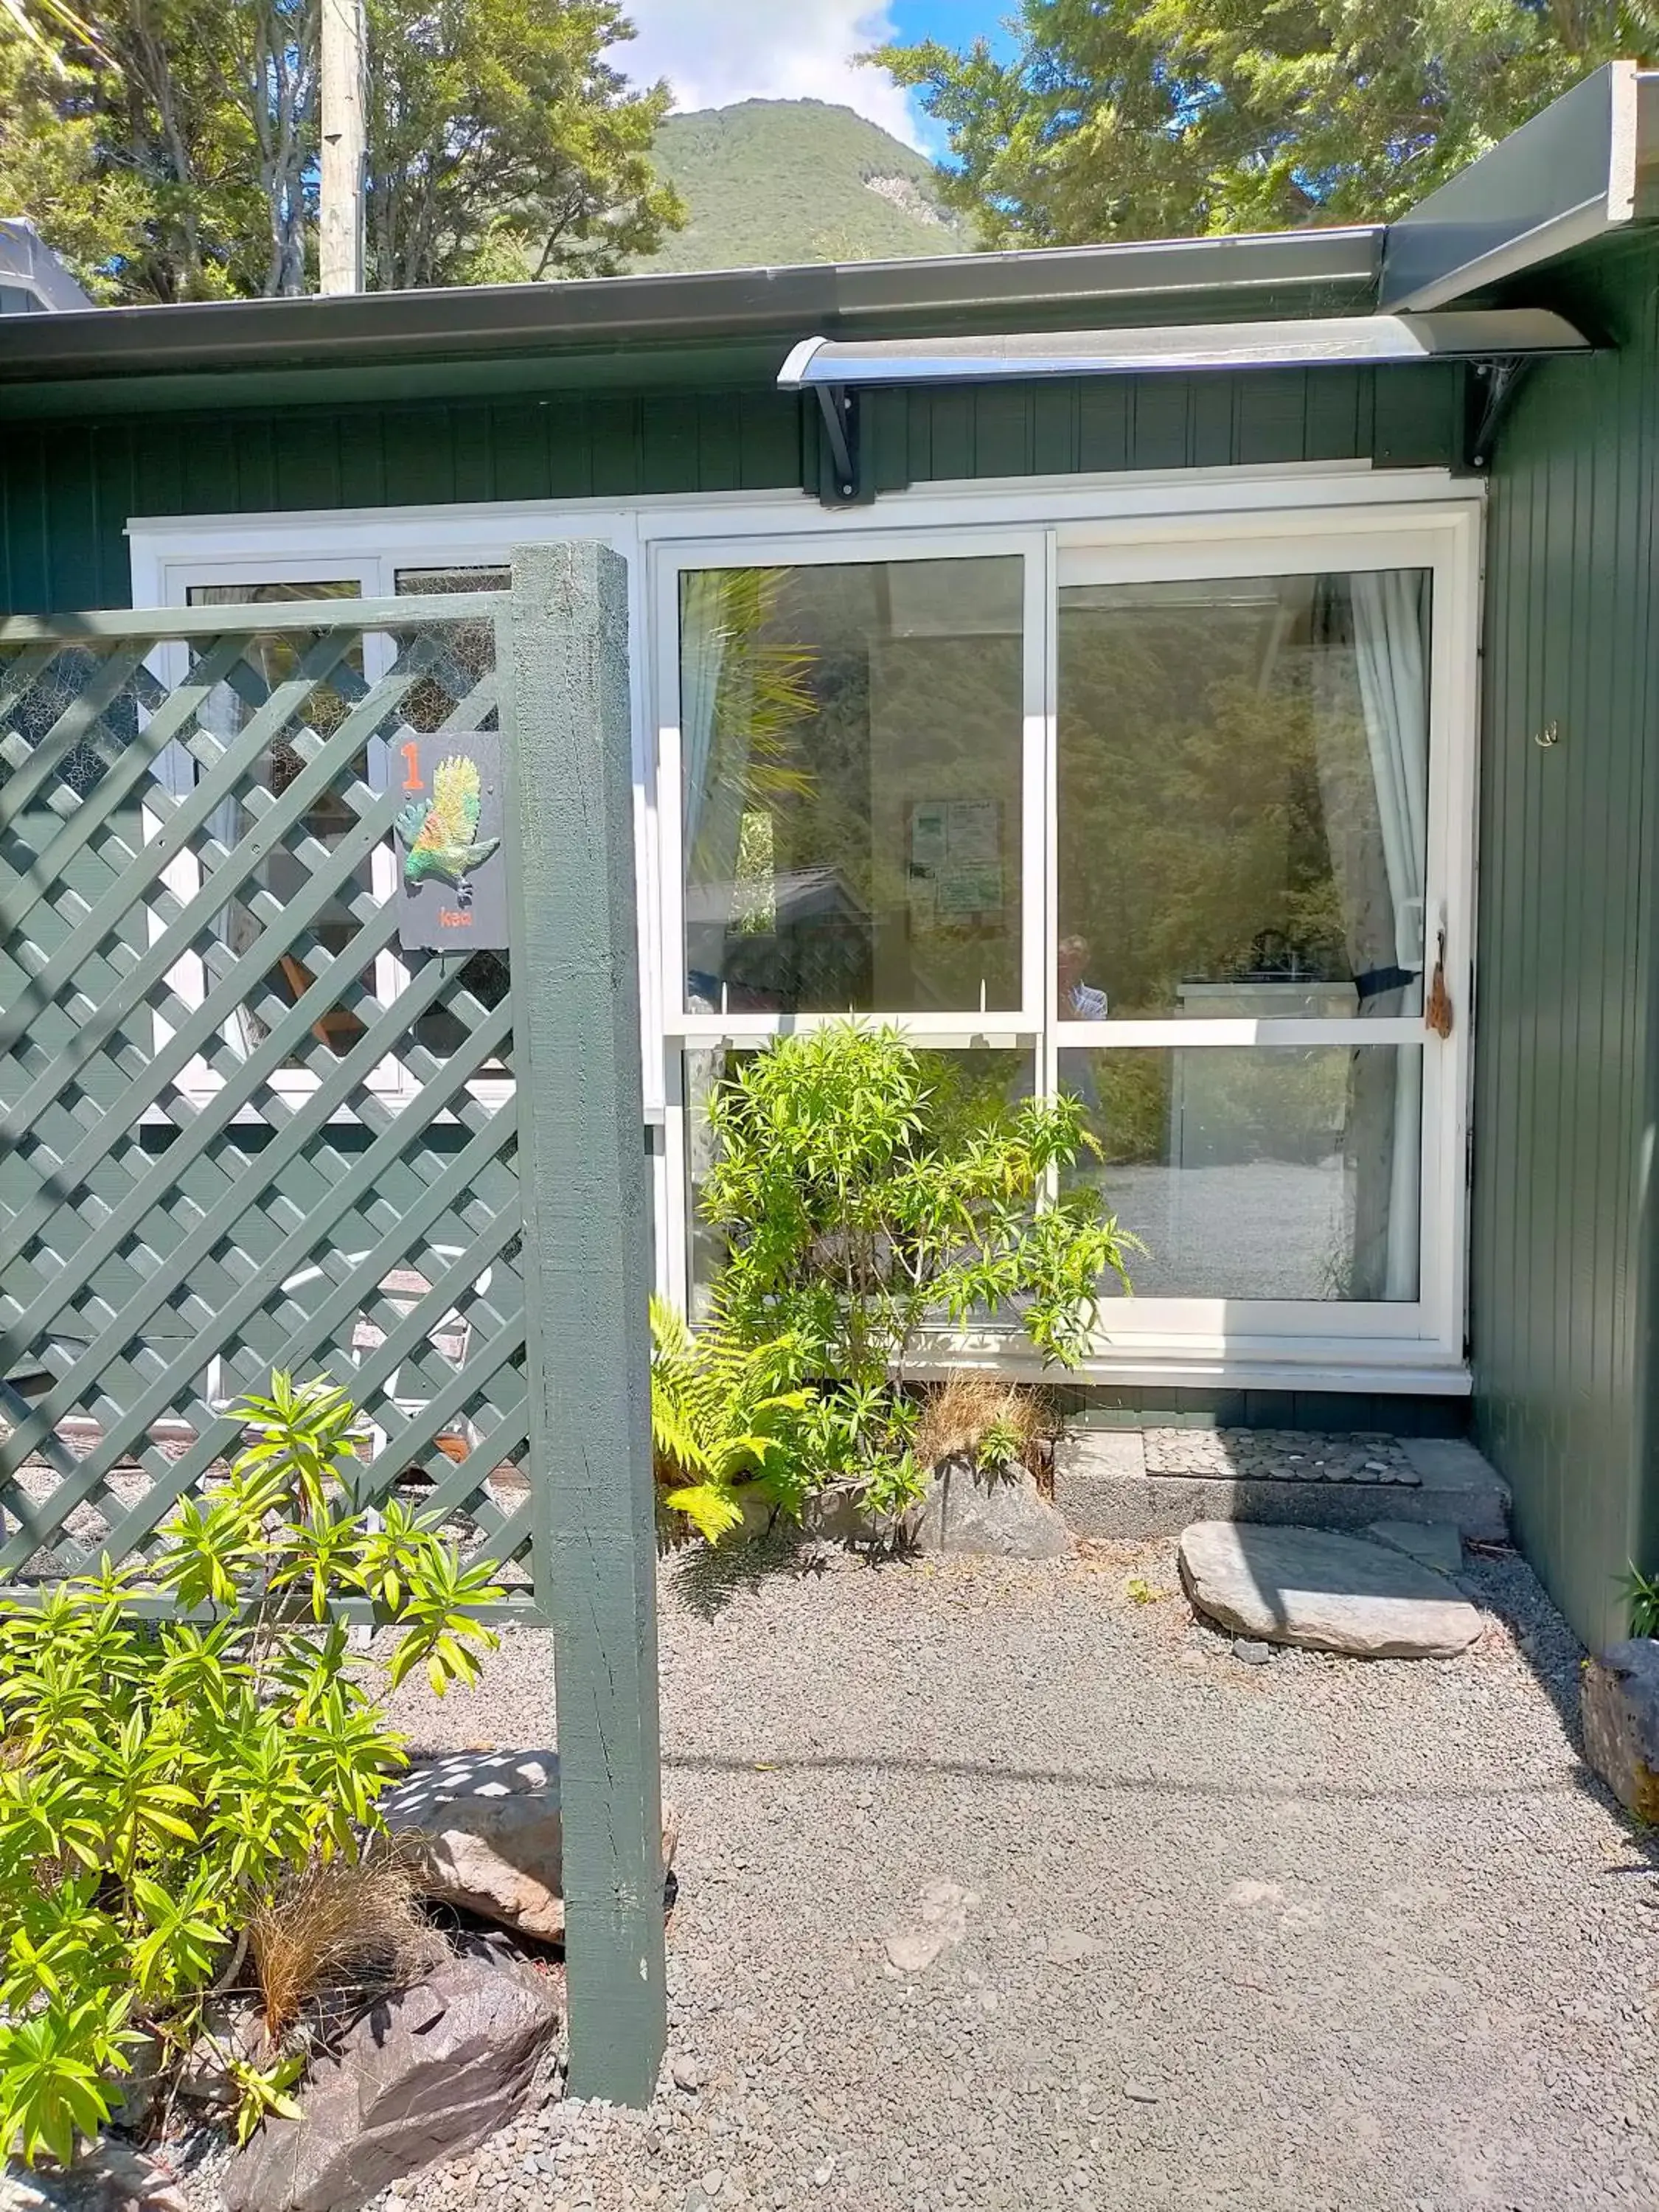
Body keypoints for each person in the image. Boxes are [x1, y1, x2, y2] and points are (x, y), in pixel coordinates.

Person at [1057, 935, 1108, 1020]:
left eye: (1075, 959)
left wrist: (1068, 1008)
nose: (1070, 965)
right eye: (1065, 960)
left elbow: (1096, 1030)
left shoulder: (1096, 1000)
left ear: (1085, 960)